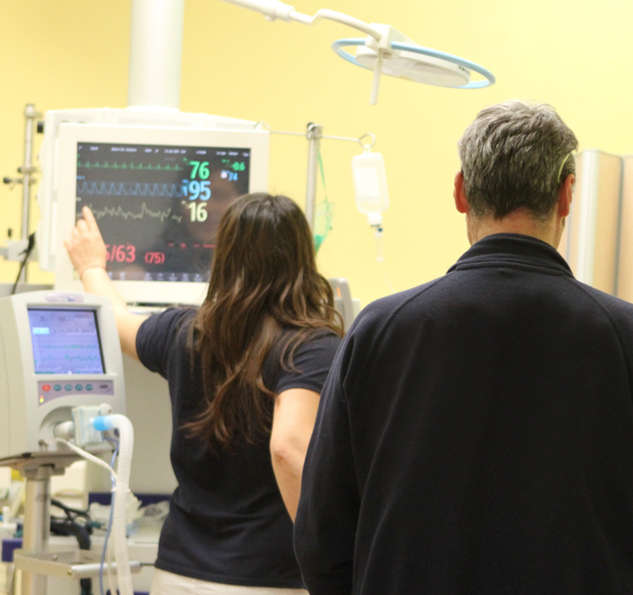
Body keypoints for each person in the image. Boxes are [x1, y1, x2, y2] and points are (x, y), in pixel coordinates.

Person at [294, 100, 633, 594]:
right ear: (566, 195)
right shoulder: (622, 339)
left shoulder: (378, 332)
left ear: (460, 191)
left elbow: (321, 537)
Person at [64, 193, 343, 594]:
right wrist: (327, 555)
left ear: (224, 255)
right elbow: (288, 449)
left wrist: (91, 267)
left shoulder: (186, 333)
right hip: (266, 580)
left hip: (177, 575)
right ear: (301, 257)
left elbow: (116, 320)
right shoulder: (311, 348)